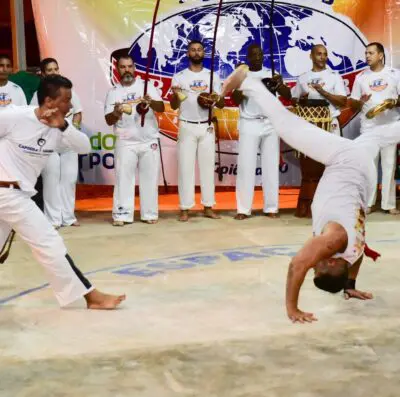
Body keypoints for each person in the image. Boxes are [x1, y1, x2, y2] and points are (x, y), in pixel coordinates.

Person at [221, 65, 400, 323]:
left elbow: (359, 255)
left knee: (381, 134)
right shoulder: (334, 241)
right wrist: (292, 309)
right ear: (330, 264)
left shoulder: (351, 253)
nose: (315, 264)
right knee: (288, 127)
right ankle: (247, 82)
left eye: (315, 268)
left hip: (362, 174)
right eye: (318, 268)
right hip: (347, 163)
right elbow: (297, 265)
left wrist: (349, 285)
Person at [0, 75, 125, 309]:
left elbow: (85, 147)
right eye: (67, 100)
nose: (71, 105)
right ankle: (91, 296)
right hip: (7, 193)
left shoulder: (60, 129)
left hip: (16, 194)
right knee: (49, 243)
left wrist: (64, 125)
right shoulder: (16, 116)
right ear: (49, 101)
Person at [231, 44, 291, 220]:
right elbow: (234, 99)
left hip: (270, 122)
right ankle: (243, 209)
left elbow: (287, 95)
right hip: (249, 122)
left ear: (264, 56)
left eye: (260, 54)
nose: (257, 57)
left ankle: (271, 207)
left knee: (271, 166)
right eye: (253, 55)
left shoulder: (271, 73)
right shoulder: (243, 75)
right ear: (248, 58)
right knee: (245, 167)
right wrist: (242, 83)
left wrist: (278, 84)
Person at [104, 54, 165, 226]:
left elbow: (161, 108)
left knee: (150, 178)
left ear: (134, 68)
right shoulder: (113, 92)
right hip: (126, 142)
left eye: (130, 66)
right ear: (118, 69)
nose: (127, 70)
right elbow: (108, 120)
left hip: (148, 140)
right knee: (123, 179)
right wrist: (116, 112)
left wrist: (150, 102)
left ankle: (149, 213)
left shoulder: (146, 86)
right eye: (123, 67)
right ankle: (122, 215)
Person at [170, 40, 225, 222]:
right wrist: (176, 94)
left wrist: (214, 98)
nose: (196, 52)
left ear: (203, 53)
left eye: (199, 50)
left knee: (207, 168)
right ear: (188, 53)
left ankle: (208, 206)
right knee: (185, 168)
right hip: (187, 125)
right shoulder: (179, 77)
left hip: (206, 125)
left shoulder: (212, 76)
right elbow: (173, 105)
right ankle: (185, 208)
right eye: (192, 50)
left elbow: (222, 103)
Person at [291, 45, 347, 218]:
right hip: (309, 126)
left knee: (331, 165)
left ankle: (331, 207)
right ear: (311, 56)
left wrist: (323, 92)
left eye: (325, 55)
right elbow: (294, 100)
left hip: (329, 124)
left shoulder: (333, 76)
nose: (322, 57)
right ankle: (307, 206)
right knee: (309, 168)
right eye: (319, 54)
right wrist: (301, 99)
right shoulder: (303, 78)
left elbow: (343, 100)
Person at [31, 58, 83, 228]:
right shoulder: (38, 95)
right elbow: (34, 117)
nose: (53, 72)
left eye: (56, 69)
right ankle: (53, 219)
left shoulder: (70, 92)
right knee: (51, 181)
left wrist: (73, 129)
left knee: (68, 180)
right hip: (49, 145)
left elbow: (78, 112)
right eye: (49, 70)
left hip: (68, 145)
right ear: (43, 74)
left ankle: (68, 217)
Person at [350, 42, 400, 215]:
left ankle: (389, 204)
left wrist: (393, 102)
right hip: (369, 127)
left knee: (389, 166)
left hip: (390, 126)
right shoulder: (361, 77)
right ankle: (368, 202)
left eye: (371, 53)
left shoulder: (395, 74)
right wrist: (360, 101)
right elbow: (354, 102)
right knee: (369, 166)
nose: (367, 56)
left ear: (381, 55)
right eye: (366, 53)